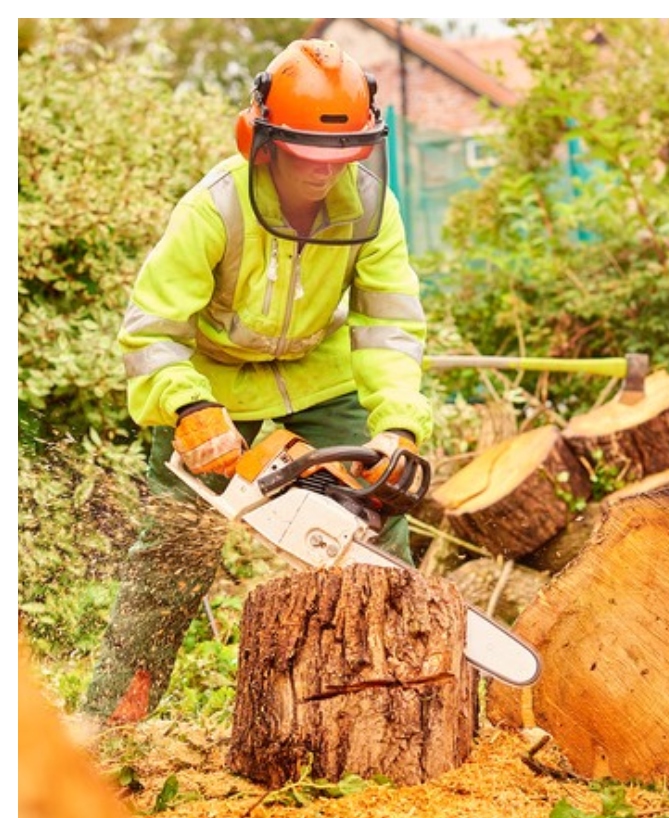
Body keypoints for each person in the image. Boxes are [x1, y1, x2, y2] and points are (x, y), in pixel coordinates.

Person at [82, 39, 433, 724]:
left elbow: (389, 327)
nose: (324, 174)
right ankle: (111, 714)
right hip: (212, 383)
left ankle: (402, 699)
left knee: (378, 514)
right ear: (263, 139)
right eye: (308, 156)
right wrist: (187, 406)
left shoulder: (372, 207)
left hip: (318, 377)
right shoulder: (213, 208)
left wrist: (397, 425)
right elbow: (151, 331)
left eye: (343, 157)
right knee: (176, 547)